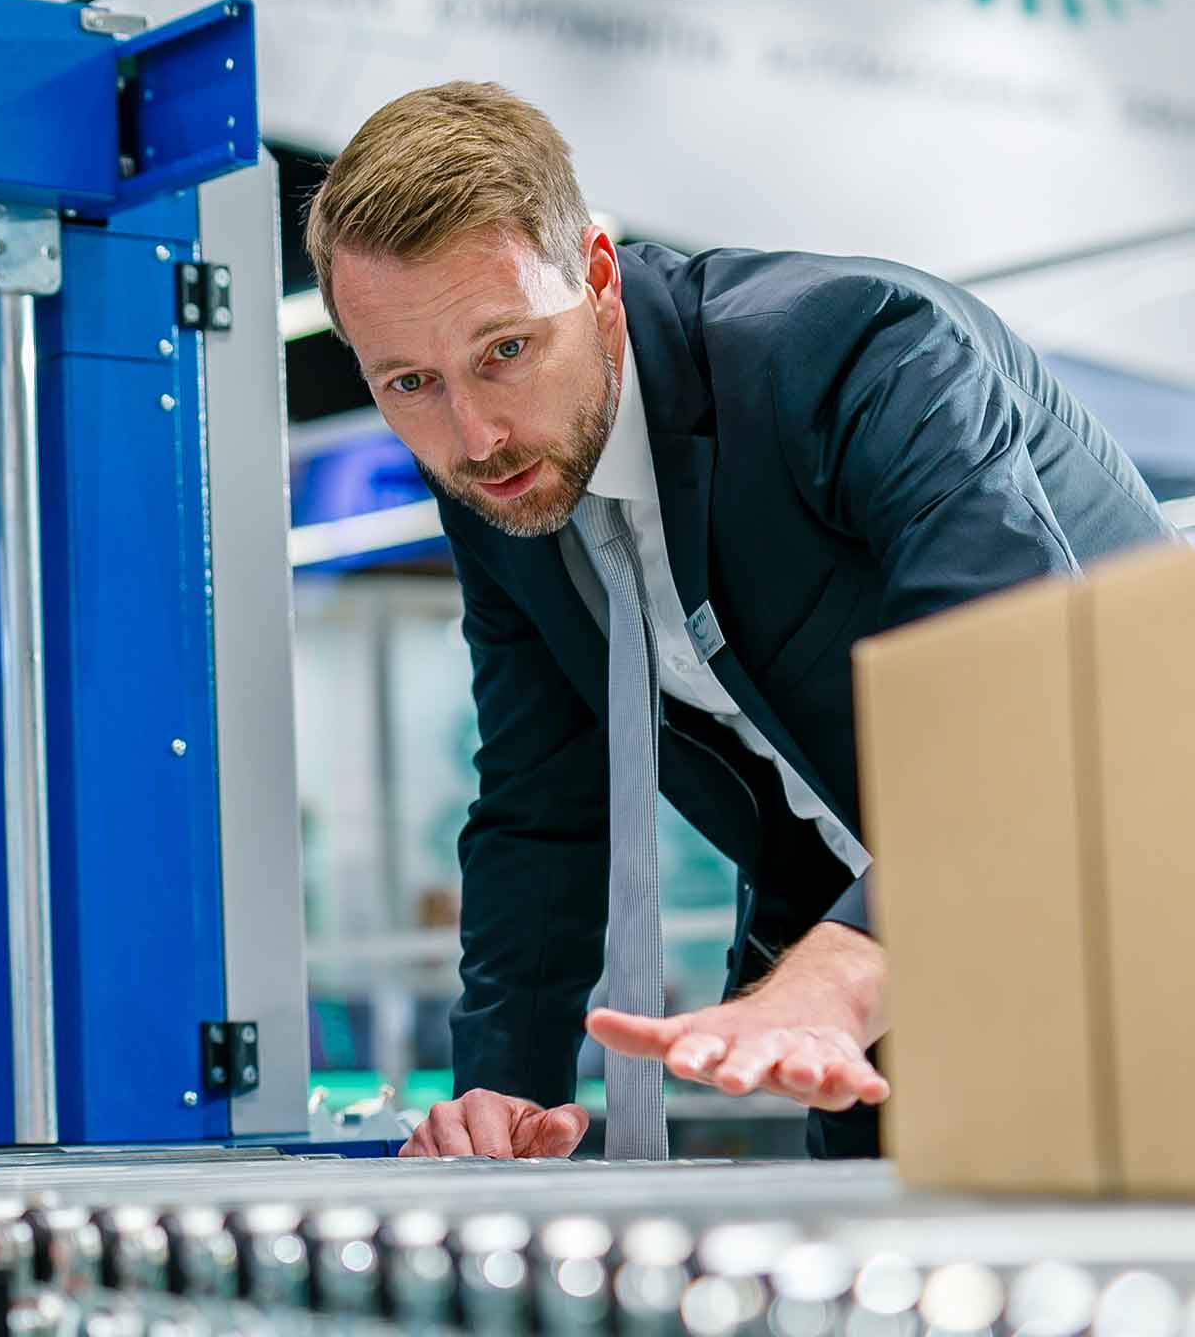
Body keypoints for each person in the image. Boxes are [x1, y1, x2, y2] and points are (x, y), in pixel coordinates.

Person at [301, 83, 1172, 1162]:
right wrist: (501, 1098)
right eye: (408, 382)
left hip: (1134, 906)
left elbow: (1026, 699)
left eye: (507, 350)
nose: (473, 434)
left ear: (600, 281)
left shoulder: (858, 354)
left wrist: (840, 973)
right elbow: (541, 802)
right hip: (888, 973)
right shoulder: (507, 488)